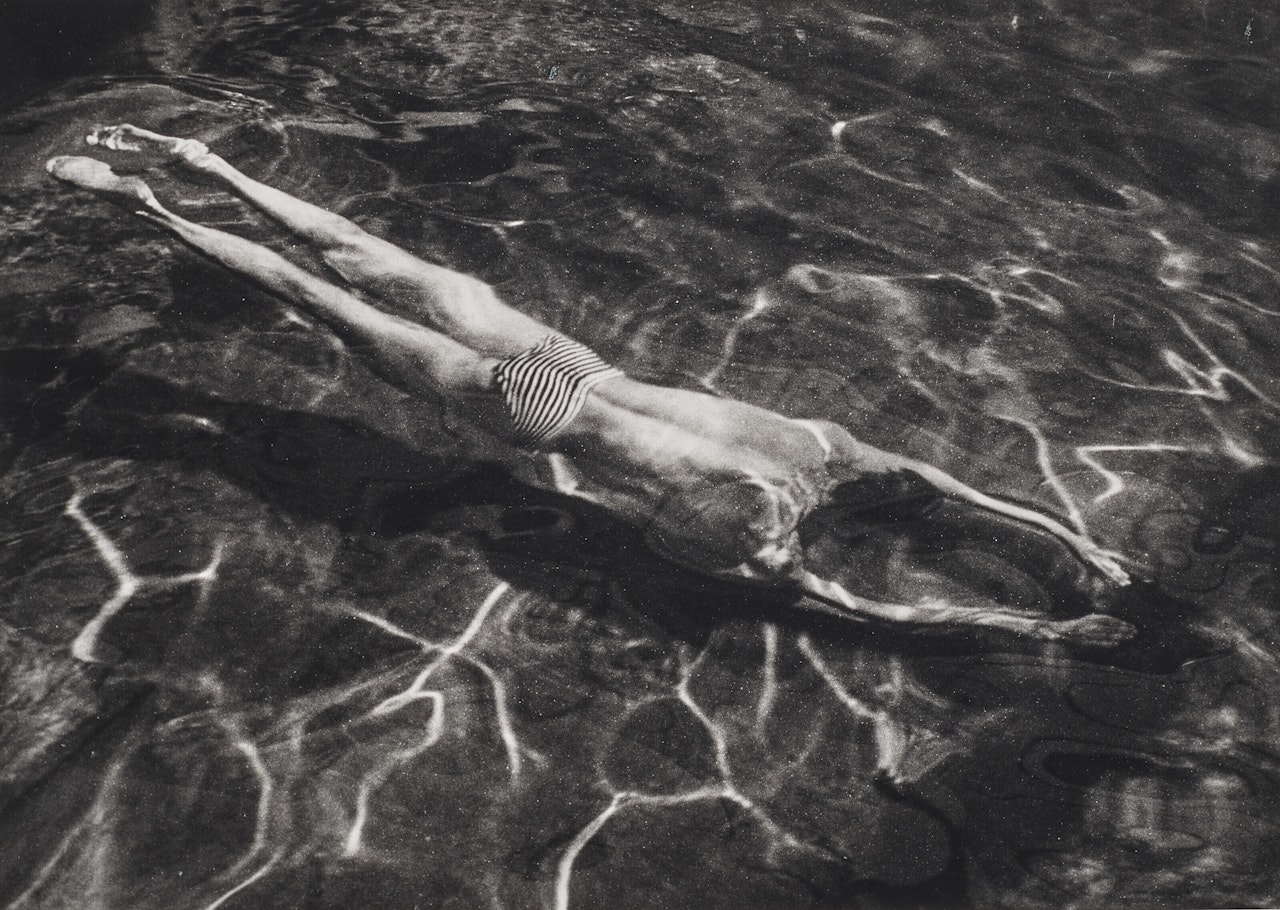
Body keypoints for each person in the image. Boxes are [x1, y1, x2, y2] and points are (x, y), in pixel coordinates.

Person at [46, 125, 1136, 647]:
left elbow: (950, 489)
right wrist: (1036, 628)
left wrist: (1077, 546)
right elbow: (880, 607)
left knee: (368, 256)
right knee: (319, 302)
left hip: (572, 360)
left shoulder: (825, 446)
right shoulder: (756, 546)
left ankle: (205, 167)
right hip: (535, 412)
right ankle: (142, 205)